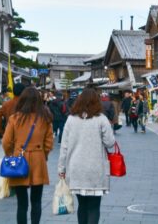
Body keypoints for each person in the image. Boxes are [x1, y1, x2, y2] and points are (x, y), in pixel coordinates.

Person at [57, 87, 116, 224]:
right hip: (96, 168)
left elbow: (64, 147)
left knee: (82, 205)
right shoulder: (101, 119)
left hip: (76, 168)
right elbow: (110, 142)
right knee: (94, 207)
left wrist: (61, 169)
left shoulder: (71, 119)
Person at [2, 86, 55, 224]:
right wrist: (44, 155)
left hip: (19, 160)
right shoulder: (45, 118)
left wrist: (11, 155)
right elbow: (49, 142)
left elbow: (6, 142)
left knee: (21, 203)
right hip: (38, 160)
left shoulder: (15, 118)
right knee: (36, 201)